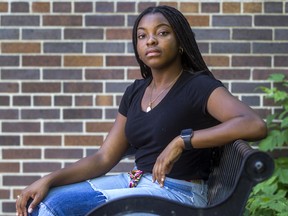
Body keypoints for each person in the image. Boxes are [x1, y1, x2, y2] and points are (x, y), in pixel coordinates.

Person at [15, 5, 267, 216]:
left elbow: (254, 124)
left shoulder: (198, 86)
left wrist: (183, 141)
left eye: (162, 33)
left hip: (177, 193)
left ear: (180, 42)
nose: (151, 41)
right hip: (136, 183)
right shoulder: (136, 91)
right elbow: (103, 158)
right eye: (142, 36)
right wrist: (48, 179)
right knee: (44, 204)